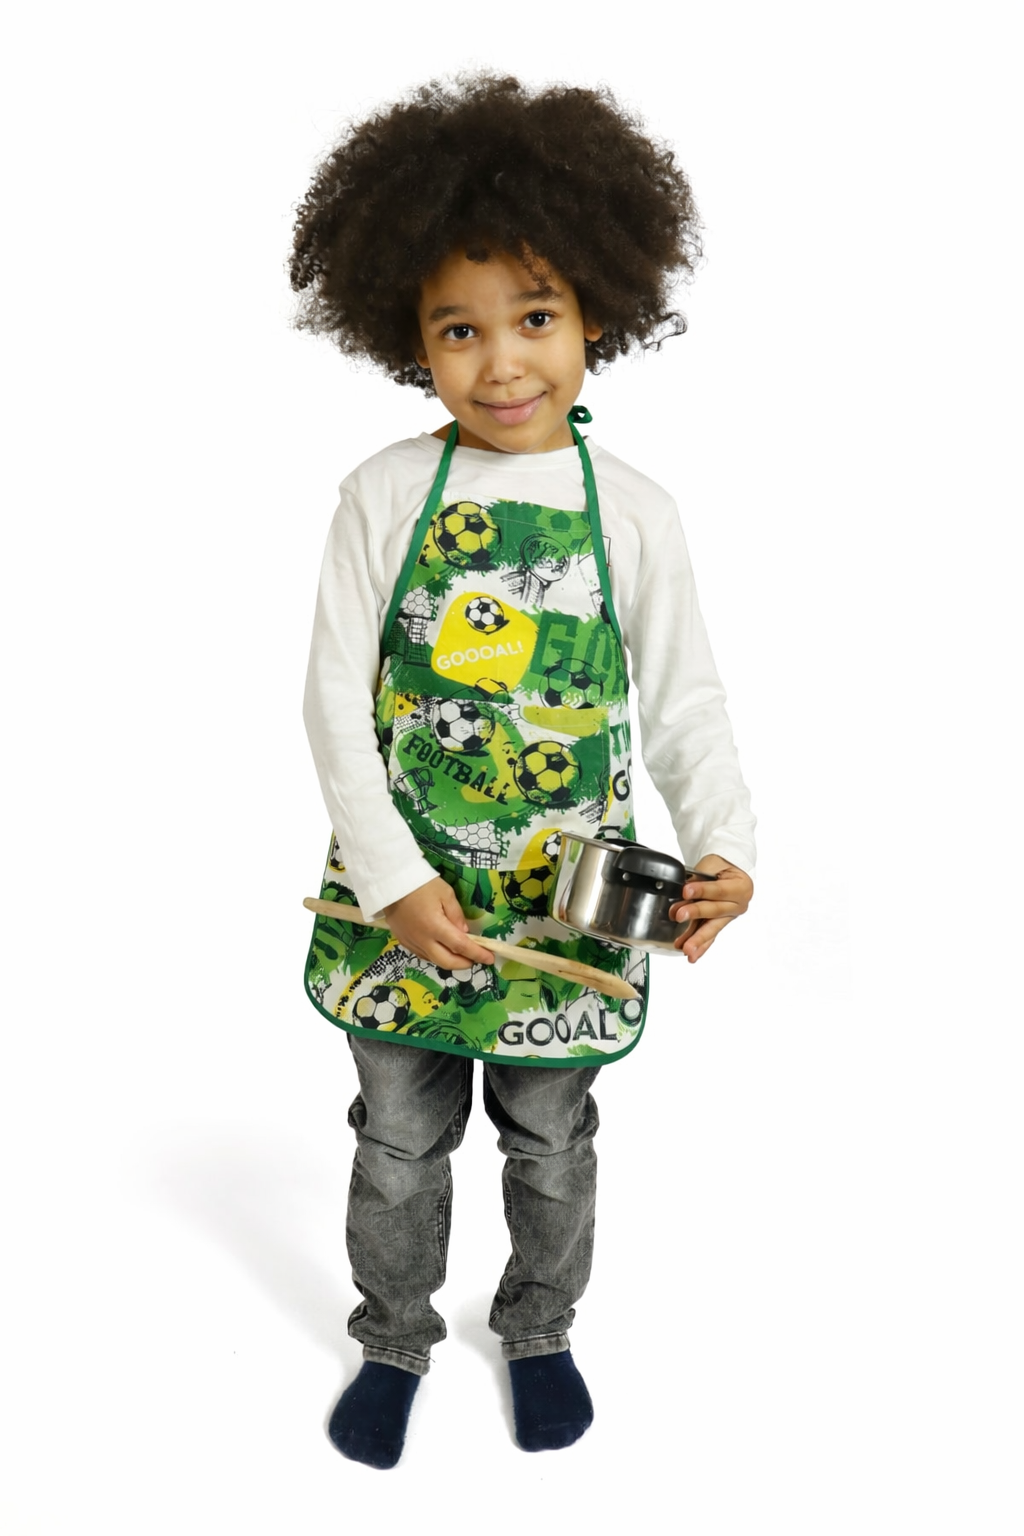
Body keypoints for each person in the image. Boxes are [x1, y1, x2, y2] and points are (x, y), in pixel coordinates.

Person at [291, 73, 755, 1469]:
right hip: (407, 906)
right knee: (397, 1142)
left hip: (570, 916)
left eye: (535, 318)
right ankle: (393, 1336)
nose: (502, 364)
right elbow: (333, 704)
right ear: (409, 337)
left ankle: (540, 1326)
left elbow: (684, 701)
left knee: (553, 1141)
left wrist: (725, 842)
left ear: (599, 310)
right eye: (461, 328)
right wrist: (393, 876)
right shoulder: (383, 495)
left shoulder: (635, 514)